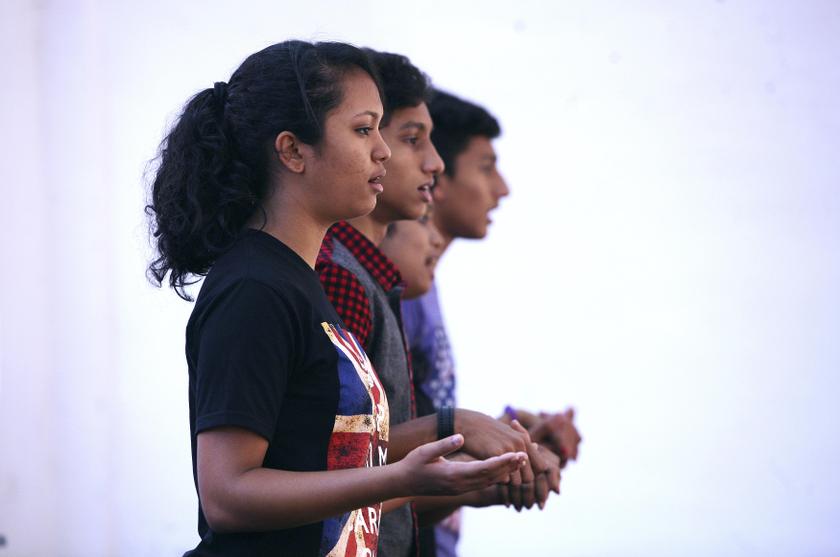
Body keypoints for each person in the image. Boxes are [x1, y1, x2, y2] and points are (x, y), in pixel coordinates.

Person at [145, 40, 529, 556]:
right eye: (363, 129)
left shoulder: (297, 280)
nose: (384, 151)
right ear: (292, 150)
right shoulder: (254, 287)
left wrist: (445, 479)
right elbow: (228, 496)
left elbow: (321, 487)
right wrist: (398, 478)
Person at [316, 51, 558, 556]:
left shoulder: (379, 280)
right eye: (408, 139)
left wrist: (486, 467)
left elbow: (376, 475)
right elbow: (332, 465)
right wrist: (457, 429)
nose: (435, 164)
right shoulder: (339, 277)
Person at [403, 89, 583, 557]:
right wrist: (493, 474)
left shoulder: (423, 286)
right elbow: (362, 463)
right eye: (485, 166)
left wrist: (506, 440)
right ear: (437, 173)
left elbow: (409, 434)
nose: (502, 188)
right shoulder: (395, 292)